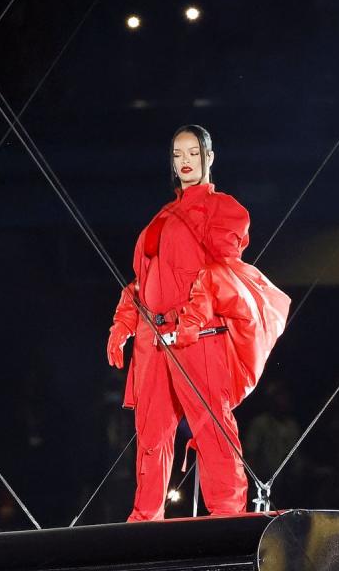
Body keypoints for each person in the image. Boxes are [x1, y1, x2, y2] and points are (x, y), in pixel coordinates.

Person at [106, 125, 290, 521]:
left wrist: (194, 315)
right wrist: (123, 322)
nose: (184, 161)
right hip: (154, 337)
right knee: (152, 434)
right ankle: (145, 516)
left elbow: (222, 268)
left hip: (197, 335)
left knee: (211, 425)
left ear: (209, 156)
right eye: (177, 154)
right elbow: (145, 280)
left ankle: (226, 512)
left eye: (192, 153)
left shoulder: (223, 208)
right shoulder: (163, 214)